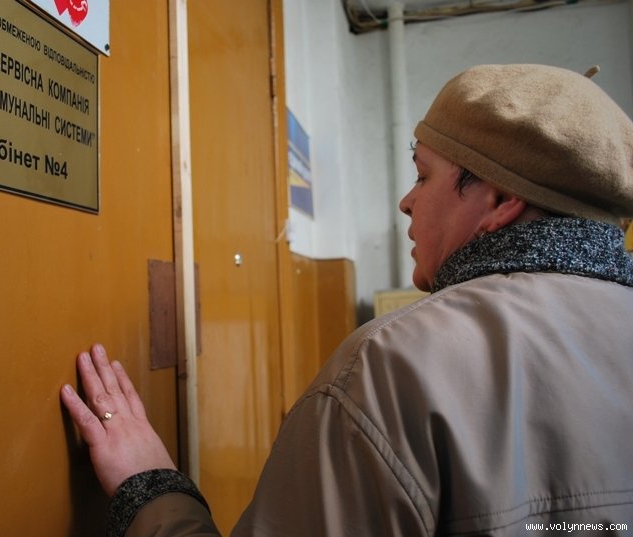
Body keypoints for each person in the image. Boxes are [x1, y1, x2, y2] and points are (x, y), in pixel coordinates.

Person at [60, 64, 633, 536]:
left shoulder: (394, 365)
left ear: (501, 199)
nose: (407, 202)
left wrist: (150, 489)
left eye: (423, 175)